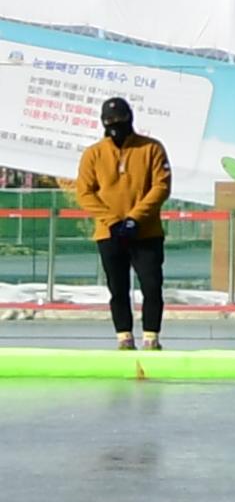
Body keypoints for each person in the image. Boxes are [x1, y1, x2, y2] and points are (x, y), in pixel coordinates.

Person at [71, 97, 170, 350]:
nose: (115, 125)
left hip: (146, 232)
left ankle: (151, 338)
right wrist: (113, 221)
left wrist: (135, 218)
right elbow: (85, 192)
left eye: (120, 120)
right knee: (118, 288)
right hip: (109, 232)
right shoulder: (93, 154)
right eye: (110, 121)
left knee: (151, 285)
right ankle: (124, 337)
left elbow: (161, 186)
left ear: (130, 119)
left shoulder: (152, 149)